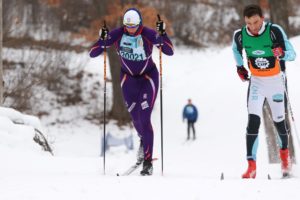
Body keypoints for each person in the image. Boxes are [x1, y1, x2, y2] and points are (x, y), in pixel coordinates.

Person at [89, 8, 174, 175]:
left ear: (139, 23)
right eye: (128, 26)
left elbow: (169, 51)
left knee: (144, 116)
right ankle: (144, 142)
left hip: (148, 78)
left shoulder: (148, 33)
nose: (131, 30)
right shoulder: (118, 34)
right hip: (128, 79)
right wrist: (102, 38)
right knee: (135, 118)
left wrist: (163, 34)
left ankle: (148, 162)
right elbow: (93, 53)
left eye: (134, 26)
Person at [232, 5, 296, 178]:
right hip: (257, 83)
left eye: (256, 22)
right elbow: (235, 50)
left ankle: (285, 158)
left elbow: (292, 54)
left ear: (262, 18)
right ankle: (251, 166)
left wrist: (281, 54)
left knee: (279, 123)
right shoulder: (240, 35)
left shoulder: (274, 31)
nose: (252, 27)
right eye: (249, 23)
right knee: (252, 122)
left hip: (275, 81)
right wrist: (240, 67)